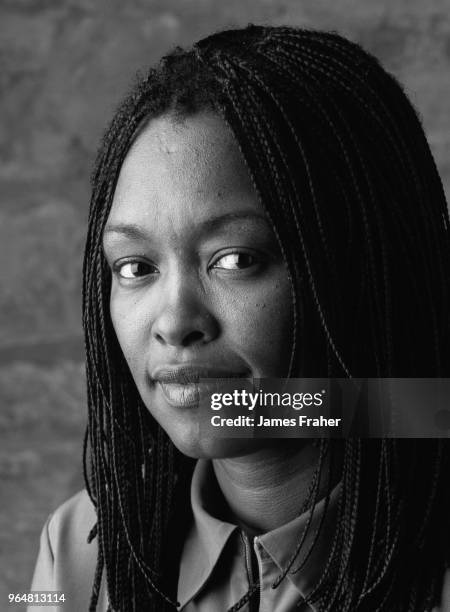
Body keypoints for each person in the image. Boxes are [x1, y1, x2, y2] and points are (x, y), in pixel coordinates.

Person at [29, 25, 450, 611]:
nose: (175, 323)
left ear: (362, 261)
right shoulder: (82, 550)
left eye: (235, 259)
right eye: (134, 267)